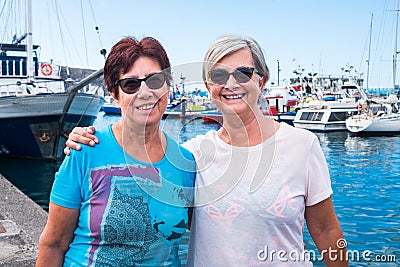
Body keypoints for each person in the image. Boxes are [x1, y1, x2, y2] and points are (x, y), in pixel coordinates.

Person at [64, 34, 347, 266]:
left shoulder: (302, 145)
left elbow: (326, 230)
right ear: (210, 86)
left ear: (261, 80)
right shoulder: (191, 156)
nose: (231, 83)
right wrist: (85, 139)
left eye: (244, 72)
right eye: (219, 75)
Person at [36, 37, 196, 266]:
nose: (145, 92)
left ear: (168, 86)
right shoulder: (85, 151)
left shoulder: (186, 162)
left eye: (155, 80)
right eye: (131, 84)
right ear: (114, 93)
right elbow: (53, 244)